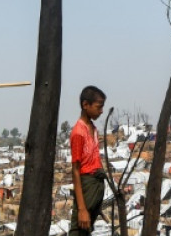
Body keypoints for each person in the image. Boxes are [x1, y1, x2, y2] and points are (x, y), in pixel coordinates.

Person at [69, 85, 106, 236]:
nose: (101, 111)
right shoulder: (78, 132)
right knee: (78, 228)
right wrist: (82, 209)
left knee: (86, 230)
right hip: (87, 185)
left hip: (96, 184)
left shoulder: (93, 128)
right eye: (99, 107)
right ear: (85, 105)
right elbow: (76, 170)